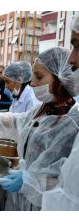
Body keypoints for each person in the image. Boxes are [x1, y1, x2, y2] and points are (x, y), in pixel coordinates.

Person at [0, 47, 79, 211]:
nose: (32, 83)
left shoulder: (73, 122)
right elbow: (18, 121)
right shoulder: (45, 108)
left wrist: (32, 182)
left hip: (45, 205)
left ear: (62, 78)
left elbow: (71, 187)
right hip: (23, 199)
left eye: (39, 77)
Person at [41, 13, 79, 211]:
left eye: (78, 46)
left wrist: (30, 182)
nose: (72, 59)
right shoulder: (44, 108)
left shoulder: (71, 116)